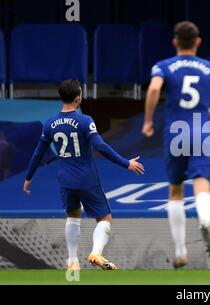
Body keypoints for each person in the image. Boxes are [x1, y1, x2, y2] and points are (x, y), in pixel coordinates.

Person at [23, 79, 145, 271]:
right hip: (86, 178)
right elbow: (100, 146)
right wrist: (126, 163)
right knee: (105, 218)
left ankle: (72, 261)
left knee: (72, 217)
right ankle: (96, 252)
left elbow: (38, 153)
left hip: (65, 180)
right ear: (78, 98)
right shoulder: (85, 121)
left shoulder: (51, 123)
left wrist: (28, 177)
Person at [141, 21, 210, 269]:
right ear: (198, 42)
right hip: (200, 131)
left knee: (176, 190)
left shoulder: (164, 66)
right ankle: (205, 220)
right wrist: (208, 111)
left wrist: (148, 121)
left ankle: (181, 252)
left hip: (175, 133)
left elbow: (154, 89)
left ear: (175, 42)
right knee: (202, 183)